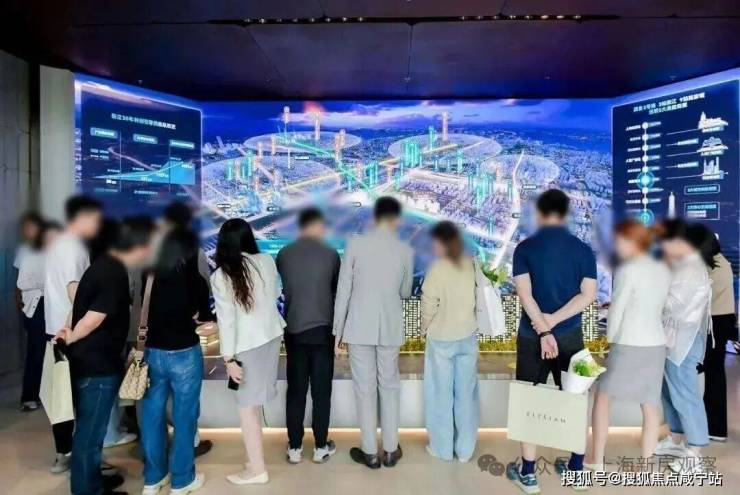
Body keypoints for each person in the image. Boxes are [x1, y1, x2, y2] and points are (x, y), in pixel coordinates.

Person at [505, 189, 597, 493]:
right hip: (572, 335)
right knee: (576, 399)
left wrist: (544, 330)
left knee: (528, 399)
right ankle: (576, 470)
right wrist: (555, 323)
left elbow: (525, 294)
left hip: (531, 336)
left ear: (540, 213)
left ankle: (529, 474)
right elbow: (588, 295)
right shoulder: (583, 250)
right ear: (566, 213)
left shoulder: (525, 248)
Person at [55, 217, 155, 495]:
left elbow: (79, 307)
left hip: (89, 361)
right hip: (97, 365)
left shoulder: (100, 266)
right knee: (90, 434)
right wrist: (72, 335)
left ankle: (91, 481)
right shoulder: (113, 272)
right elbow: (95, 317)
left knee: (89, 431)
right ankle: (88, 489)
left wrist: (68, 332)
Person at [333, 196, 414, 469]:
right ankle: (390, 450)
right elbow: (405, 292)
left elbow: (343, 291)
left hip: (358, 327)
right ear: (397, 219)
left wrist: (338, 332)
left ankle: (369, 452)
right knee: (389, 387)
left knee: (364, 389)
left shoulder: (354, 244)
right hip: (389, 326)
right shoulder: (405, 249)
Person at [587, 220, 671, 470]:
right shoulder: (663, 267)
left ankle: (598, 460)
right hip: (656, 343)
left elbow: (618, 309)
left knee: (603, 398)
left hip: (628, 342)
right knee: (650, 405)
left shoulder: (628, 268)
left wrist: (609, 341)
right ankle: (647, 464)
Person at [140, 228, 216, 495]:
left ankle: (153, 478)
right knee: (185, 417)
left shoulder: (148, 273)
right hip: (184, 352)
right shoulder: (193, 278)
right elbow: (204, 315)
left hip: (152, 352)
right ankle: (182, 480)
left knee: (151, 417)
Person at [211, 219, 284, 485]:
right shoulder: (265, 261)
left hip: (245, 346)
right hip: (271, 336)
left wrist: (228, 359)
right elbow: (276, 293)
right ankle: (254, 461)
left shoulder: (221, 276)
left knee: (247, 410)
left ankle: (257, 470)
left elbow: (227, 321)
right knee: (253, 405)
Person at [44, 195, 103, 474]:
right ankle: (80, 461)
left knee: (61, 399)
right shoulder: (74, 249)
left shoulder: (56, 245)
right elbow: (75, 292)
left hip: (54, 331)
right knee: (80, 401)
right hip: (71, 334)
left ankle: (64, 453)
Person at [276, 208, 340, 464]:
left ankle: (294, 447)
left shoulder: (284, 254)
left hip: (294, 330)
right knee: (321, 392)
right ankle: (321, 446)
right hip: (323, 331)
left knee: (296, 391)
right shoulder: (331, 254)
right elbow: (335, 292)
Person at [653, 220, 713, 473]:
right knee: (669, 391)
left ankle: (695, 452)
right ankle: (676, 438)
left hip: (683, 341)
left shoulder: (691, 269)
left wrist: (652, 297)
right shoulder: (683, 265)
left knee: (686, 394)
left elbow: (676, 307)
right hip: (672, 338)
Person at [421, 221, 479, 463]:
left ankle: (442, 448)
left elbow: (428, 304)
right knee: (466, 395)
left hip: (441, 339)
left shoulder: (437, 268)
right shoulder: (471, 264)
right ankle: (465, 450)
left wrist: (424, 328)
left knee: (440, 395)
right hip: (468, 335)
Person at [158, 201, 213, 458]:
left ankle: (154, 455)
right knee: (186, 401)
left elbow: (134, 292)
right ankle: (188, 447)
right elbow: (204, 287)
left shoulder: (146, 252)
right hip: (183, 339)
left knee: (152, 404)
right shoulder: (193, 251)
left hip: (151, 341)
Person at [17, 221, 61, 411]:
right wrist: (46, 282)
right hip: (37, 308)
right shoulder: (30, 255)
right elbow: (22, 283)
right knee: (36, 352)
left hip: (51, 306)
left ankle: (45, 394)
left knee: (51, 353)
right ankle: (29, 396)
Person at [700, 232, 737, 442]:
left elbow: (700, 296)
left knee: (713, 375)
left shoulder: (714, 267)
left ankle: (714, 427)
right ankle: (713, 425)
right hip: (719, 324)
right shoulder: (722, 263)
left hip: (714, 326)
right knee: (714, 374)